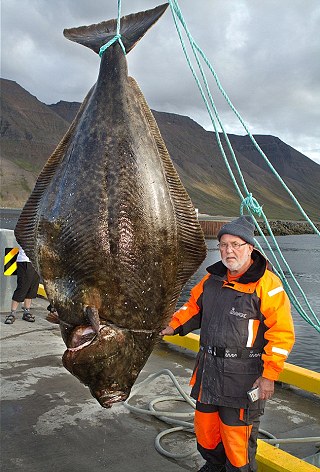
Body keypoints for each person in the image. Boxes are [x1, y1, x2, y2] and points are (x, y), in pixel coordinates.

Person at [160, 215, 295, 472]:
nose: (228, 250)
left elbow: (282, 334)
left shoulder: (268, 285)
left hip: (242, 380)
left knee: (238, 447)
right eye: (223, 244)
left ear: (250, 248)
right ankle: (213, 467)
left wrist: (269, 376)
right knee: (206, 435)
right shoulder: (211, 281)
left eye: (235, 244)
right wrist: (171, 325)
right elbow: (192, 309)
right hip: (208, 373)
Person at [4, 245, 40, 324]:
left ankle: (26, 311)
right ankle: (12, 313)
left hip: (36, 262)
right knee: (22, 287)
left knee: (31, 288)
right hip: (25, 261)